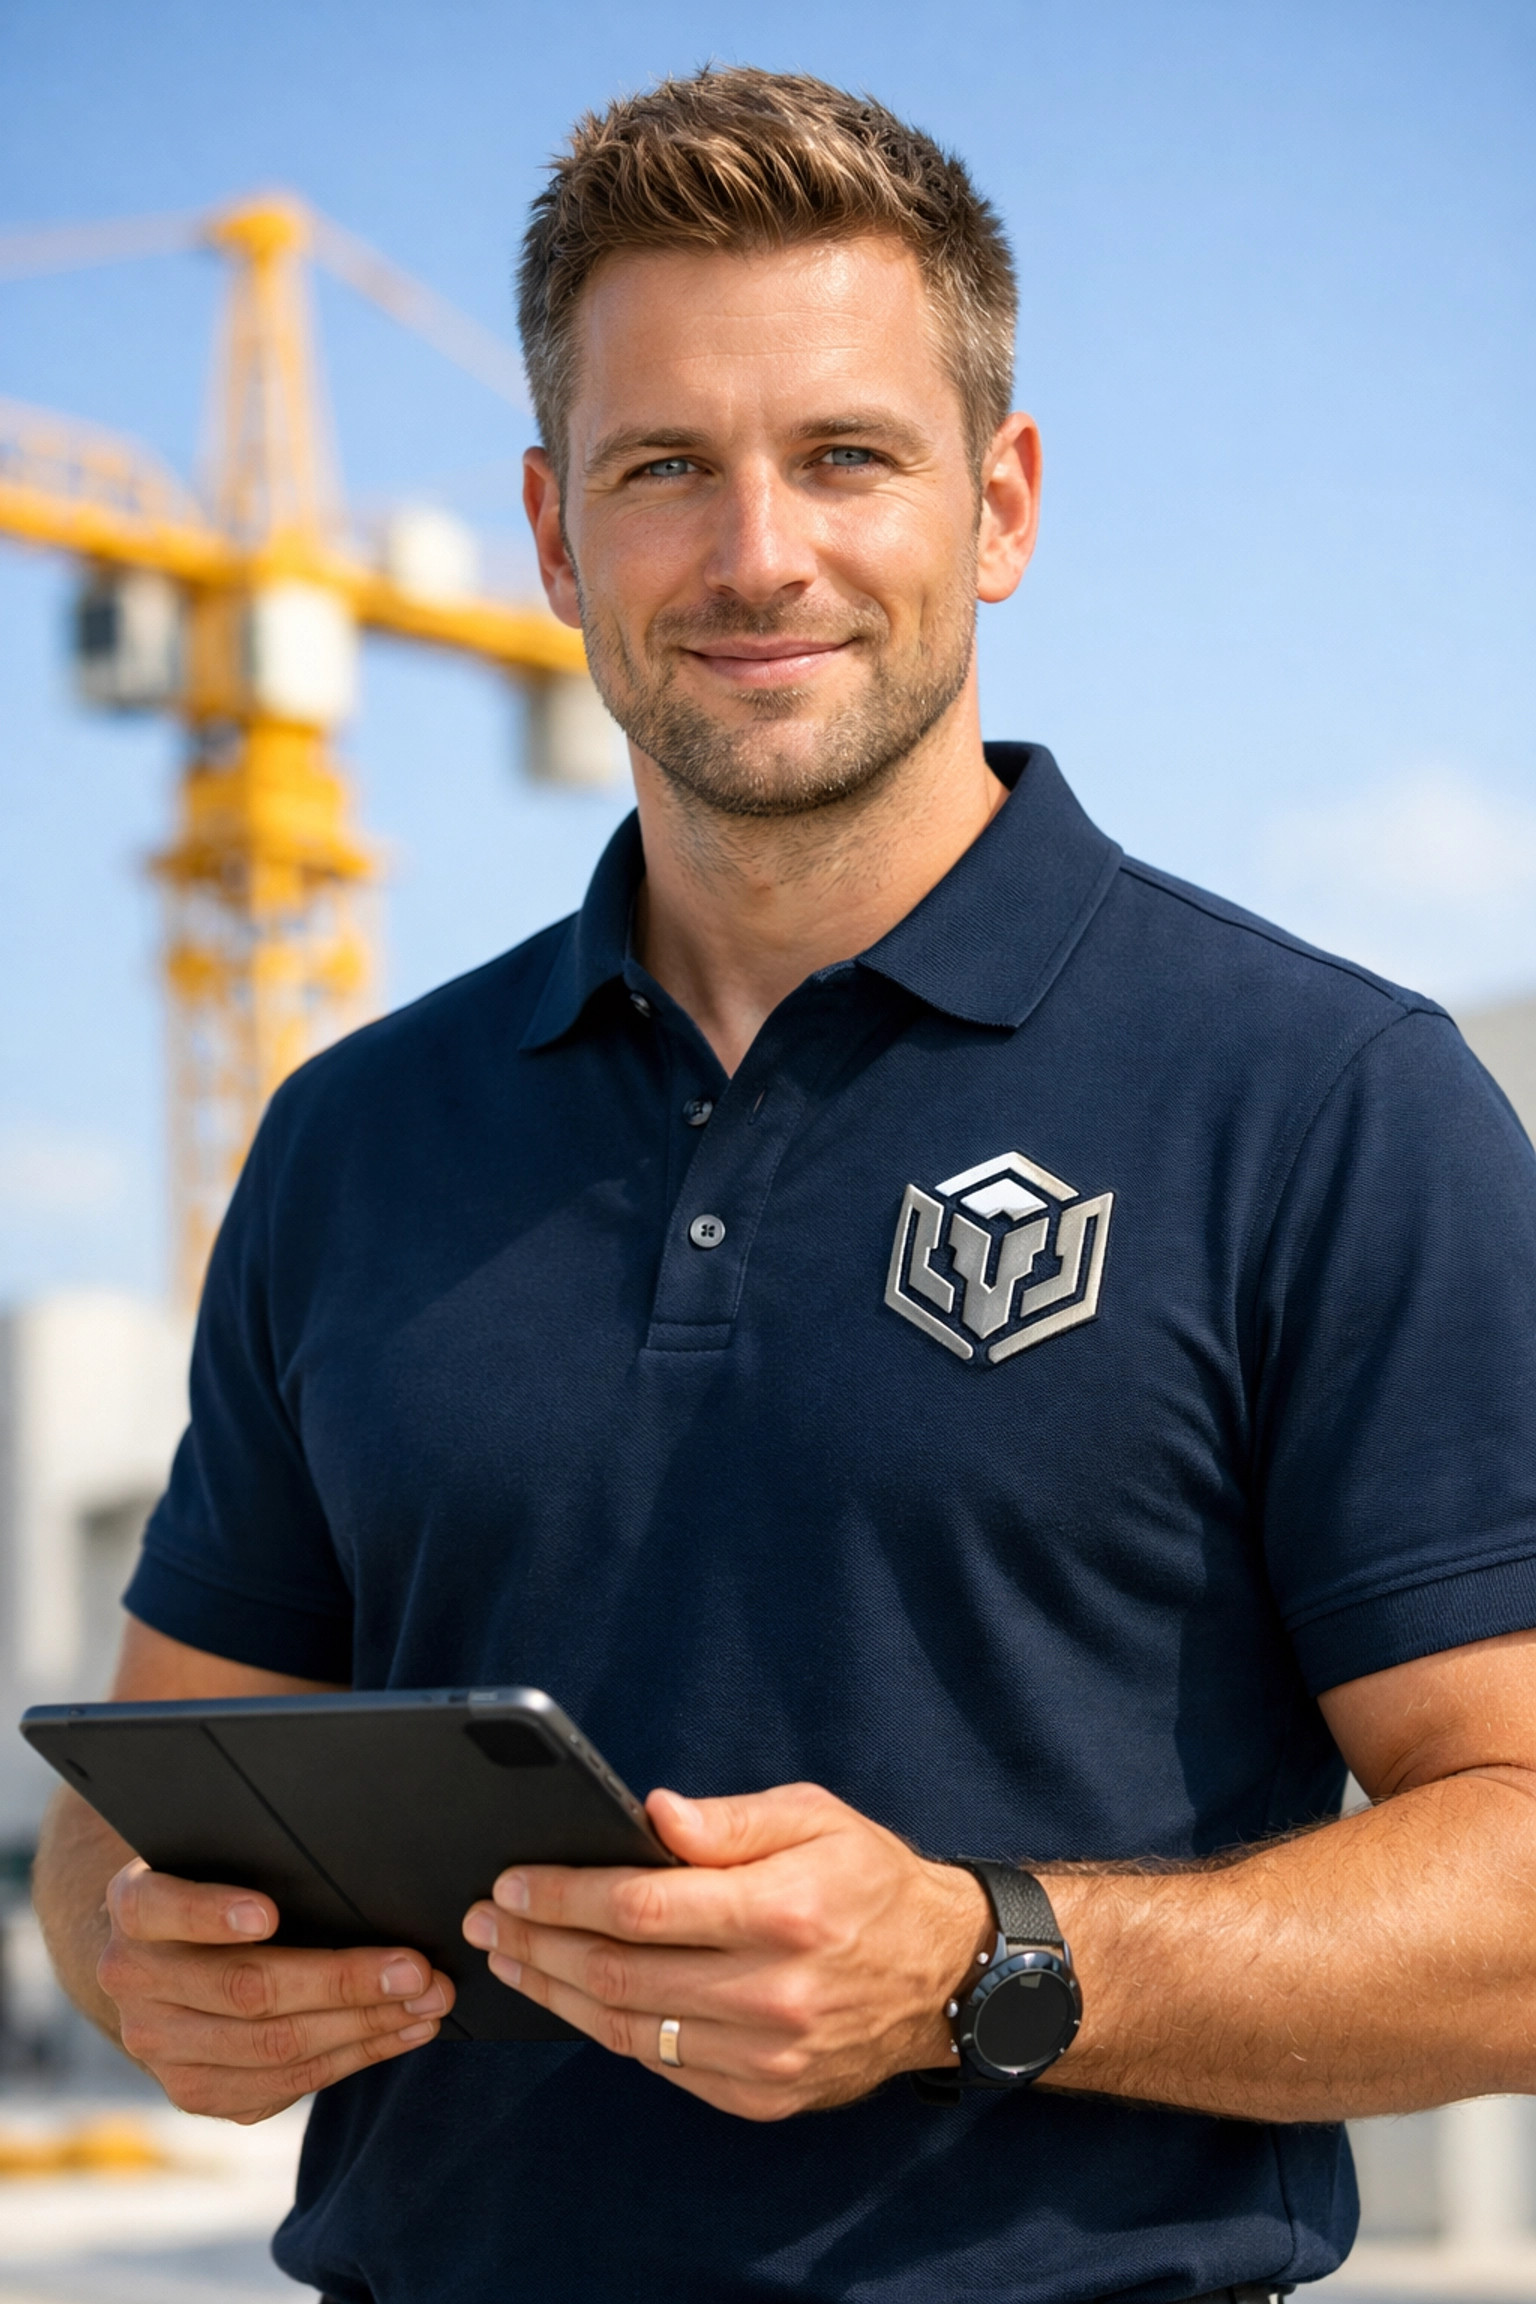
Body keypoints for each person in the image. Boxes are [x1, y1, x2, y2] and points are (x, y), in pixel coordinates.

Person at [32, 64, 1536, 2304]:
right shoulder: (355, 1140)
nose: (759, 554)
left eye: (847, 455)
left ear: (1000, 504)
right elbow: (118, 1818)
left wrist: (979, 1961)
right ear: (552, 534)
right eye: (665, 471)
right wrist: (158, 1963)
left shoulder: (1325, 1096)